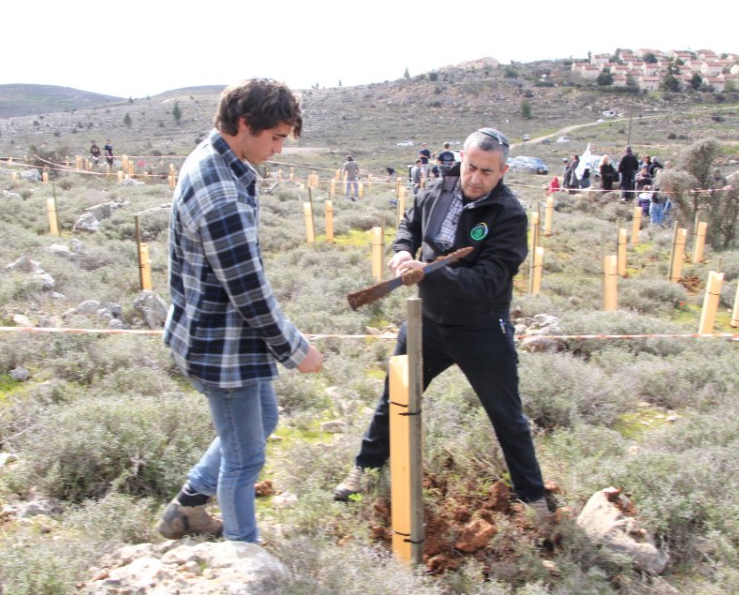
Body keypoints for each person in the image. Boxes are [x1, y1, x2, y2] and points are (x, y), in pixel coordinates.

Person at [332, 127, 553, 521]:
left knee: (506, 415)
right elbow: (409, 226)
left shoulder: (509, 215)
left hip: (482, 329)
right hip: (427, 322)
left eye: (487, 171)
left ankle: (532, 497)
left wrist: (428, 273)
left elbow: (489, 280)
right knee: (394, 400)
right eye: (471, 167)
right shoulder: (437, 190)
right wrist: (402, 252)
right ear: (461, 160)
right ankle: (363, 472)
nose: (475, 178)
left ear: (502, 171)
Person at [158, 78, 324, 544]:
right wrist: (297, 351)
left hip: (226, 336)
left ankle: (189, 505)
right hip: (221, 348)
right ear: (245, 124)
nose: (278, 150)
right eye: (274, 138)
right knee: (245, 458)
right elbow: (248, 291)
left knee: (263, 421)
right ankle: (243, 554)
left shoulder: (223, 165)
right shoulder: (219, 192)